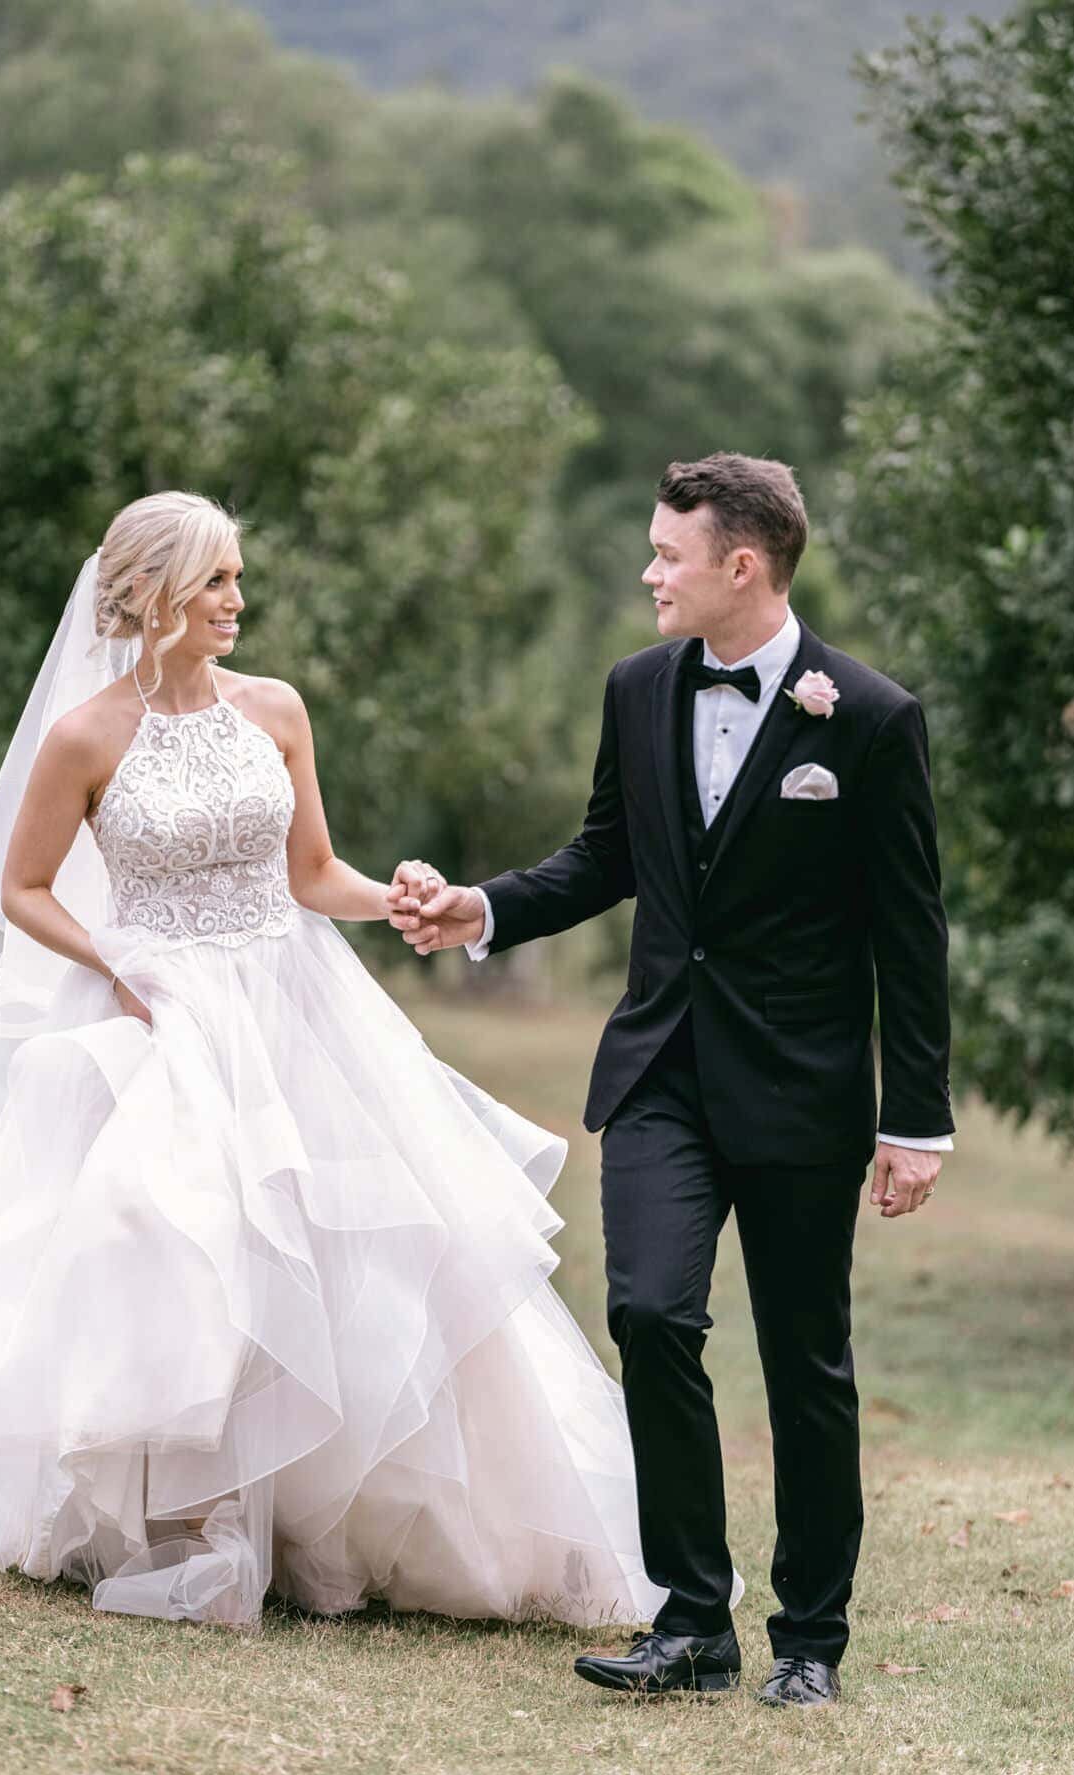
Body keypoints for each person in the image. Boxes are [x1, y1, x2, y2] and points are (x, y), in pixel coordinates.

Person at [0, 489, 746, 1637]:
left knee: (357, 1250)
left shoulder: (273, 710)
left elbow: (312, 871)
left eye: (235, 578)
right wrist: (118, 965)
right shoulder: (87, 734)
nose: (237, 600)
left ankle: (328, 1519)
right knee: (169, 1235)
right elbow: (22, 891)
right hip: (163, 1011)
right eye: (217, 580)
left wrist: (410, 900)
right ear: (155, 593)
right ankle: (183, 1519)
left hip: (294, 999)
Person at [394, 453, 954, 1706]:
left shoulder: (866, 718)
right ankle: (694, 1620)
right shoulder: (638, 690)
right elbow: (606, 856)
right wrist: (482, 908)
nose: (649, 571)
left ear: (739, 566)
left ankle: (810, 1638)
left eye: (668, 553)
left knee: (809, 1363)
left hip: (805, 1093)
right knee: (651, 1313)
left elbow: (909, 935)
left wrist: (915, 1120)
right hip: (659, 1072)